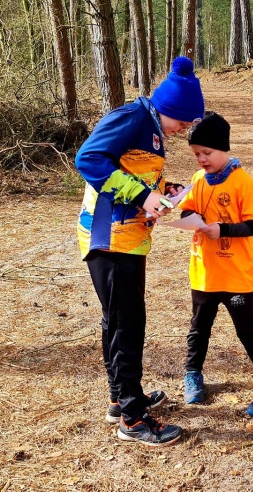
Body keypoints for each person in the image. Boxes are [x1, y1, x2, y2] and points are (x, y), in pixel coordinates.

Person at [75, 56, 204, 446]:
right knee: (127, 325)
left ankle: (121, 398)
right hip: (109, 238)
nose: (186, 129)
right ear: (167, 108)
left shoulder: (150, 127)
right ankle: (133, 419)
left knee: (117, 321)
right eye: (183, 121)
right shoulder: (131, 118)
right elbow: (89, 159)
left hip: (128, 238)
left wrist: (164, 191)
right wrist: (142, 195)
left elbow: (135, 171)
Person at [176, 111, 253, 417]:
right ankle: (193, 375)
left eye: (207, 153)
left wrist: (221, 230)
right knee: (199, 330)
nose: (201, 160)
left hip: (234, 280)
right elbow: (187, 212)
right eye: (196, 154)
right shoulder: (197, 180)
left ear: (224, 148)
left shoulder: (241, 181)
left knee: (248, 331)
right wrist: (190, 219)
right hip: (204, 277)